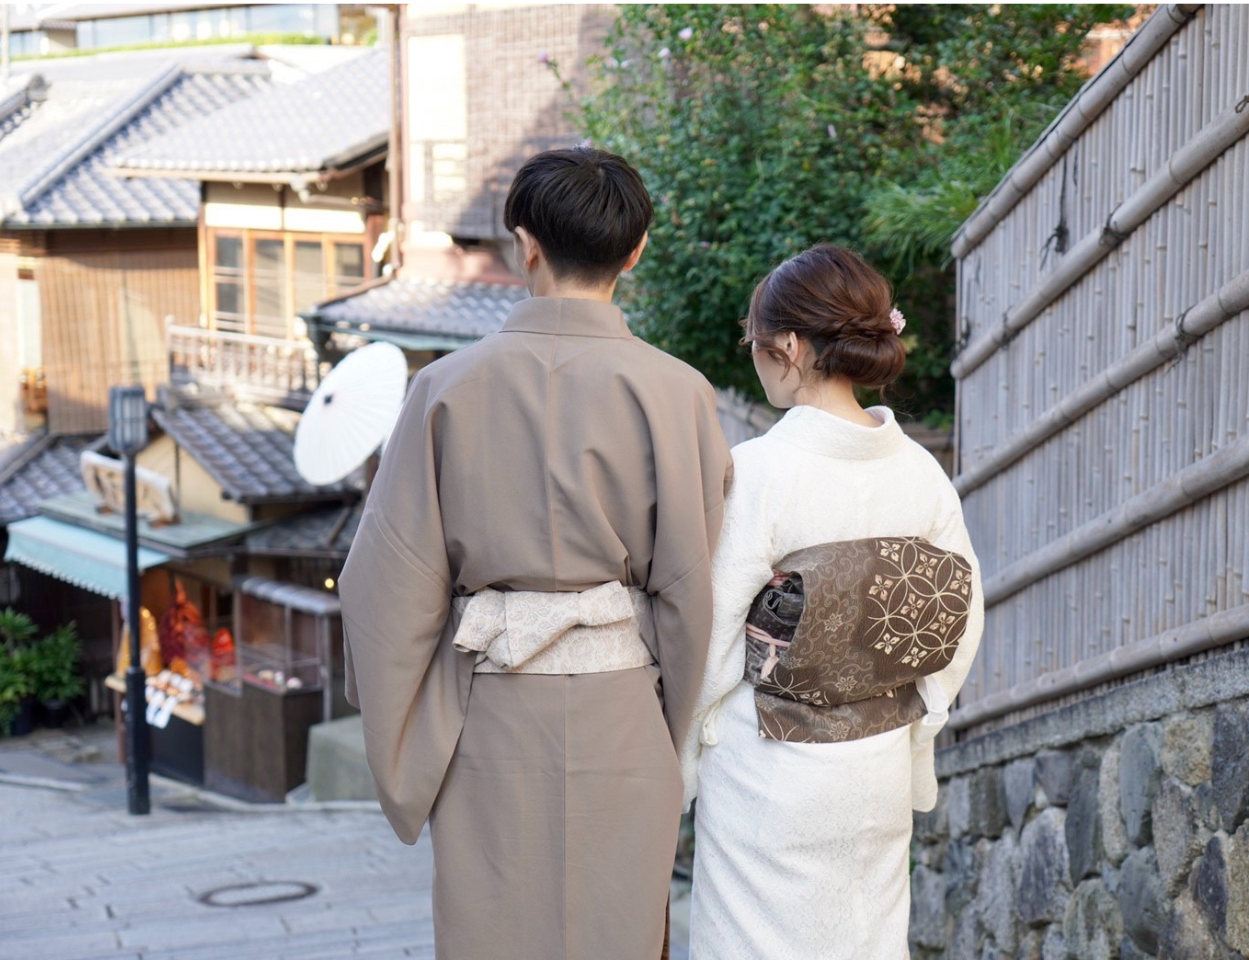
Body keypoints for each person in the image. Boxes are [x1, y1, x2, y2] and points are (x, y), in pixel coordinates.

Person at [338, 147, 733, 960]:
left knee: (494, 930)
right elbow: (691, 592)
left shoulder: (444, 388)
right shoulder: (679, 392)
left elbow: (384, 588)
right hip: (623, 716)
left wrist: (414, 733)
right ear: (636, 250)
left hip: (489, 717)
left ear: (526, 245)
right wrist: (668, 731)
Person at [680, 243, 985, 959]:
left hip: (768, 769)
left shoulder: (760, 470)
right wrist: (919, 725)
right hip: (877, 767)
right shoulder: (921, 473)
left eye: (755, 343)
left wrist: (690, 754)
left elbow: (712, 635)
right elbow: (959, 621)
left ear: (787, 347)